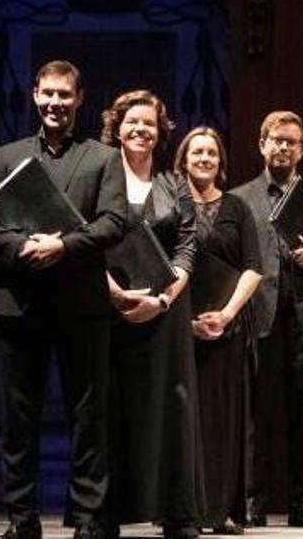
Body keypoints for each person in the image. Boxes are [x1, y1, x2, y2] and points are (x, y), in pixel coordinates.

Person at [0, 60, 126, 539]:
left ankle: (87, 520)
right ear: (33, 95)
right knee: (19, 422)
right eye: (48, 94)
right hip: (19, 301)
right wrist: (22, 247)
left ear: (80, 99)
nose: (55, 103)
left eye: (65, 95)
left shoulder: (102, 157)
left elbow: (114, 222)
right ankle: (22, 521)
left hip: (82, 304)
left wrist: (62, 246)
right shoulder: (7, 154)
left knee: (88, 418)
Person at [231, 110, 303, 528]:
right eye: (276, 140)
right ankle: (251, 501)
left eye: (291, 142)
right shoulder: (241, 197)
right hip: (257, 315)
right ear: (261, 144)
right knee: (254, 416)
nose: (283, 147)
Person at [99, 90, 202, 539]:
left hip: (167, 313)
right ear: (116, 128)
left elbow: (187, 244)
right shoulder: (99, 177)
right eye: (132, 122)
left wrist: (161, 300)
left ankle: (177, 513)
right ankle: (103, 514)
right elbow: (85, 238)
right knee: (108, 408)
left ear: (161, 133)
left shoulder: (173, 184)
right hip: (108, 311)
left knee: (173, 408)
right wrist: (115, 295)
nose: (141, 129)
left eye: (150, 124)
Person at [176, 127, 263, 534]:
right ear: (184, 158)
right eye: (198, 152)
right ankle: (185, 510)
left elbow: (253, 267)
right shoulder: (170, 206)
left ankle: (224, 511)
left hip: (228, 328)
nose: (205, 158)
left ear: (220, 161)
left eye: (212, 152)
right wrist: (186, 320)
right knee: (185, 421)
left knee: (227, 422)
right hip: (180, 327)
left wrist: (225, 315)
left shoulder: (238, 208)